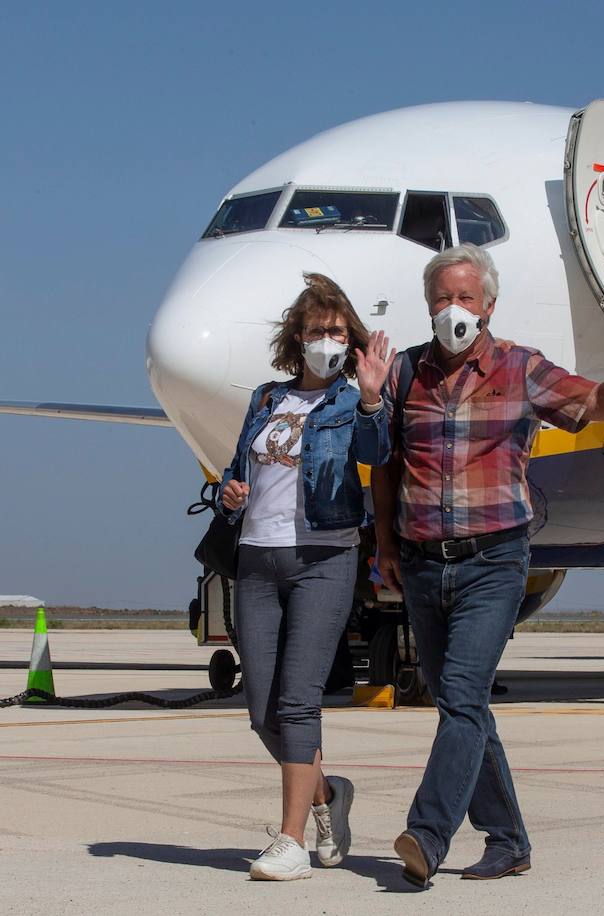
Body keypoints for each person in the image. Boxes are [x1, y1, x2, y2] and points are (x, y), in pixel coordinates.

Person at [370, 243, 604, 888]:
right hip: (423, 563)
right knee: (462, 706)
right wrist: (386, 546)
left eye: (465, 297)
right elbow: (387, 465)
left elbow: (594, 404)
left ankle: (427, 834)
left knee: (461, 696)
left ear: (488, 305)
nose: (453, 309)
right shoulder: (402, 373)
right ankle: (508, 841)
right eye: (441, 298)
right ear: (427, 305)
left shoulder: (520, 367)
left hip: (493, 562)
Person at [220, 273, 395, 880]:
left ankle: (291, 841)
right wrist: (230, 492)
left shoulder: (351, 402)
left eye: (339, 332)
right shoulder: (266, 398)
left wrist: (371, 399)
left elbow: (377, 454)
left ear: (352, 340)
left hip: (323, 558)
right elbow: (237, 467)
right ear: (298, 336)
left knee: (298, 702)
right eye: (319, 330)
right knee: (261, 710)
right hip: (257, 558)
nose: (329, 341)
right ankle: (328, 793)